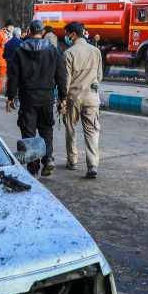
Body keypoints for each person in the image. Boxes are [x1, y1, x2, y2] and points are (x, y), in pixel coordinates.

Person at [6, 20, 67, 177]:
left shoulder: (20, 51)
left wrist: (10, 96)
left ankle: (33, 166)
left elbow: (13, 76)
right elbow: (61, 75)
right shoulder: (53, 50)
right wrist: (62, 97)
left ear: (29, 31)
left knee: (28, 131)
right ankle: (48, 159)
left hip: (28, 97)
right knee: (46, 129)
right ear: (42, 32)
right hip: (47, 97)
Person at [62, 22, 103, 179]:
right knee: (92, 131)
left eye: (67, 34)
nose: (66, 37)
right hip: (92, 97)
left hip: (74, 97)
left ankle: (72, 160)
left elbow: (66, 81)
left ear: (73, 34)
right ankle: (92, 165)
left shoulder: (69, 53)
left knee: (70, 128)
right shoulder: (96, 51)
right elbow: (99, 77)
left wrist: (62, 100)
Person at [0, 21, 12, 98]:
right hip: (3, 60)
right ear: (7, 26)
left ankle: (7, 92)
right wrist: (0, 53)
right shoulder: (1, 34)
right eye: (11, 26)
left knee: (9, 78)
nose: (12, 28)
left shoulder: (10, 35)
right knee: (0, 77)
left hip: (8, 60)